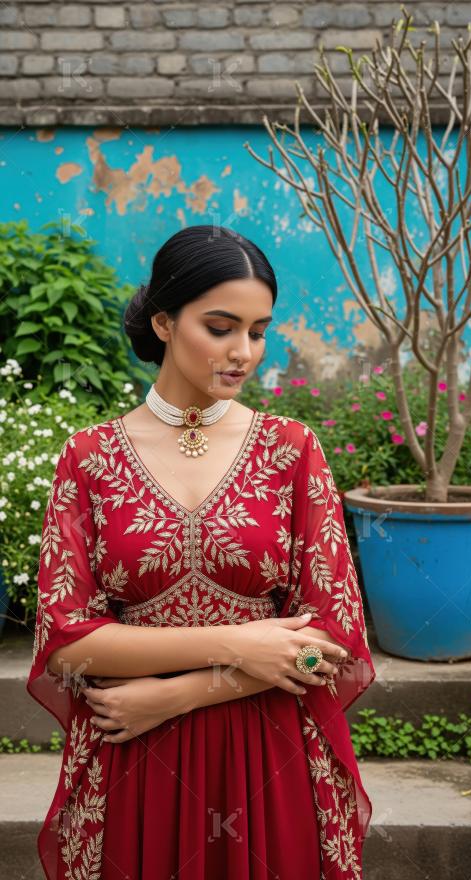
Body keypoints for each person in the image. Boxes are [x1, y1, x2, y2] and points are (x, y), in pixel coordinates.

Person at [27, 224, 375, 880]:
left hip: (264, 751)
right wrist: (242, 643)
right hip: (133, 757)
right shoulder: (89, 457)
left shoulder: (291, 451)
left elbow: (330, 639)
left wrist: (177, 694)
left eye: (259, 330)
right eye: (220, 327)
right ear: (163, 321)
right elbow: (68, 641)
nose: (244, 351)